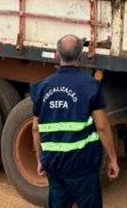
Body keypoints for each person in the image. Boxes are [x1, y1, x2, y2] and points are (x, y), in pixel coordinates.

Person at [31, 34, 120, 208]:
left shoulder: (41, 87)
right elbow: (102, 126)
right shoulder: (90, 86)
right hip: (83, 168)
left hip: (54, 166)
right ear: (80, 56)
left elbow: (35, 128)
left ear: (57, 55)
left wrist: (40, 159)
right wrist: (113, 159)